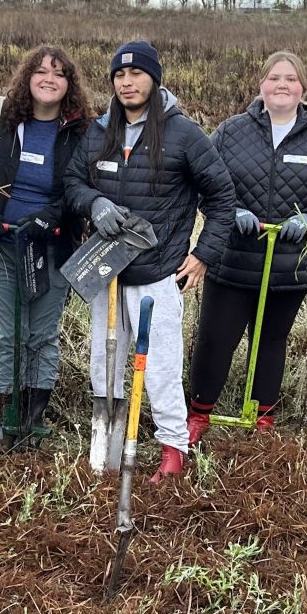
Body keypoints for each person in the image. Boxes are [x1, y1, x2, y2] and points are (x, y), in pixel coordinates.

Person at [64, 41, 237, 480]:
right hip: (106, 272)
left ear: (154, 79)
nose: (127, 82)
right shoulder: (101, 130)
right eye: (119, 76)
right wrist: (94, 202)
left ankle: (172, 450)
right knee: (103, 364)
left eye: (137, 74)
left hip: (156, 273)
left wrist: (202, 256)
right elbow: (71, 182)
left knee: (159, 366)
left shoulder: (184, 134)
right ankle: (106, 449)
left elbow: (222, 198)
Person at [186, 51, 307, 442]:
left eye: (291, 79)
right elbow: (203, 181)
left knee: (271, 339)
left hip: (291, 263)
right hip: (232, 257)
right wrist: (231, 212)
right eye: (275, 77)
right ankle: (199, 413)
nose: (282, 85)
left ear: (303, 89)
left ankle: (262, 414)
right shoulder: (231, 132)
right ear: (261, 84)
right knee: (216, 337)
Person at [0, 45, 92, 450]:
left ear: (68, 85)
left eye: (58, 74)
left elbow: (82, 186)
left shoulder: (80, 132)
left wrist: (55, 216)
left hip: (52, 247)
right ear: (27, 77)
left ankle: (33, 421)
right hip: (3, 243)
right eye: (40, 71)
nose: (48, 79)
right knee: (7, 334)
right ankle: (7, 420)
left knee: (42, 335)